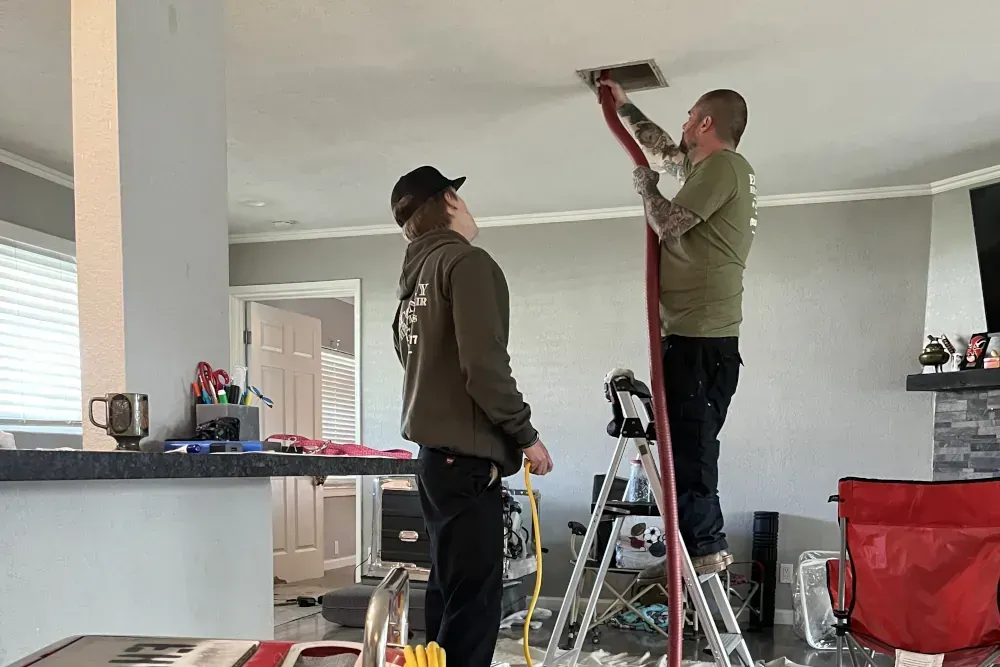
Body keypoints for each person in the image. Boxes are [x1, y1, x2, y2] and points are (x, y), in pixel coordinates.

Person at [390, 165, 554, 667]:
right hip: (464, 463)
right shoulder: (468, 263)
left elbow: (410, 357)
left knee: (447, 592)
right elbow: (483, 368)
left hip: (435, 462)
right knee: (473, 605)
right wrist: (527, 436)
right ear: (451, 203)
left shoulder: (413, 283)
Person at [599, 80, 757, 579]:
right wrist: (623, 106)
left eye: (690, 116)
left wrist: (645, 186)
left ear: (707, 122)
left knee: (690, 447)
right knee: (683, 444)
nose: (684, 124)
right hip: (693, 336)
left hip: (700, 340)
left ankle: (705, 550)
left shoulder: (726, 167)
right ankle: (698, 546)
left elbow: (667, 223)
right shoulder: (708, 169)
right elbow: (663, 148)